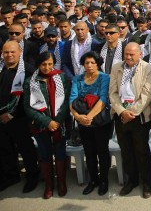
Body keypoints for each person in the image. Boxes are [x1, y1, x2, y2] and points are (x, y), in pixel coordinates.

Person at [108, 42, 151, 199]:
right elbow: (112, 93)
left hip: (138, 117)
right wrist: (122, 112)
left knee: (142, 151)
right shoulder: (116, 68)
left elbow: (146, 96)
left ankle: (146, 182)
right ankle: (132, 180)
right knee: (126, 151)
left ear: (140, 54)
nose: (128, 57)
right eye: (126, 54)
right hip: (121, 116)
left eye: (132, 54)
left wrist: (131, 112)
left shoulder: (148, 69)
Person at [23, 52, 71, 199]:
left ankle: (61, 183)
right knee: (44, 154)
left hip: (60, 124)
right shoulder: (30, 81)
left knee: (60, 153)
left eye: (50, 64)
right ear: (38, 64)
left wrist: (57, 121)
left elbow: (67, 101)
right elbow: (28, 107)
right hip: (40, 125)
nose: (47, 67)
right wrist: (47, 122)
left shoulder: (62, 77)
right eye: (44, 64)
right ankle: (49, 185)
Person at [69, 51, 112, 196]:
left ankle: (104, 180)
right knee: (89, 152)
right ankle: (93, 180)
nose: (89, 65)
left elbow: (103, 99)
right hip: (83, 122)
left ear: (98, 64)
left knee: (102, 151)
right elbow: (72, 100)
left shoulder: (105, 78)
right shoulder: (77, 79)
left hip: (100, 122)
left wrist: (88, 117)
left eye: (93, 62)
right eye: (86, 63)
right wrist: (78, 117)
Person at [0, 41, 39, 193]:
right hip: (1, 118)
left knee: (26, 149)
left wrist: (12, 114)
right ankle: (11, 176)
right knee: (5, 148)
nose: (9, 55)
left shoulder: (28, 71)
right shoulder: (1, 68)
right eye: (6, 52)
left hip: (20, 118)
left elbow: (32, 97)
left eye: (12, 52)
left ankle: (32, 177)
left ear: (20, 52)